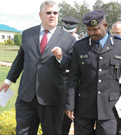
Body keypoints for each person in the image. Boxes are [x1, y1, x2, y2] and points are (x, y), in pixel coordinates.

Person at [0, 1, 76, 135]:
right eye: (48, 12)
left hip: (52, 98)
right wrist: (8, 80)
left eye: (55, 13)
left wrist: (61, 57)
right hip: (26, 97)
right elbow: (20, 59)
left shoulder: (68, 39)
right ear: (41, 15)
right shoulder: (28, 34)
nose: (52, 15)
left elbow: (72, 64)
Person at [65, 9, 121, 135]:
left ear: (105, 26)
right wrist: (70, 104)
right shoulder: (80, 46)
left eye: (95, 29)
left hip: (110, 107)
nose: (91, 33)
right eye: (88, 29)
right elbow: (73, 78)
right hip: (84, 106)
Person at [61, 16, 80, 135]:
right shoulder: (56, 40)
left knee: (68, 116)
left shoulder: (81, 43)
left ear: (76, 29)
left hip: (73, 85)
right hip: (56, 83)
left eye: (71, 32)